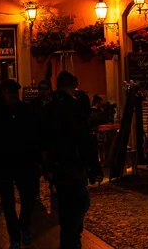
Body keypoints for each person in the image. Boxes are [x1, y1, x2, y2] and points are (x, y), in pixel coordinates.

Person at [42, 71, 103, 249]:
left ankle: (69, 238)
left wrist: (46, 166)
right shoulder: (75, 107)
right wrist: (94, 167)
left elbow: (43, 140)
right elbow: (86, 139)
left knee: (65, 205)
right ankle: (71, 240)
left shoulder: (48, 108)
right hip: (74, 165)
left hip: (57, 166)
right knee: (79, 203)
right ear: (72, 87)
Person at [0, 79, 40, 249]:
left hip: (24, 163)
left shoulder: (25, 110)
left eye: (15, 93)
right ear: (4, 94)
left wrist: (37, 160)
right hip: (3, 163)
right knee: (8, 203)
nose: (13, 96)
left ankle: (24, 226)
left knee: (27, 199)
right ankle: (15, 235)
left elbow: (34, 136)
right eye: (10, 93)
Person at [30, 80, 53, 198]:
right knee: (37, 167)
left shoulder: (53, 104)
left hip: (50, 140)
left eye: (45, 89)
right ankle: (35, 192)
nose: (43, 91)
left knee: (51, 166)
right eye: (41, 89)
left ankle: (53, 187)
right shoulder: (34, 104)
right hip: (38, 140)